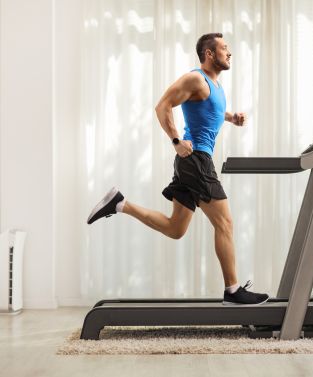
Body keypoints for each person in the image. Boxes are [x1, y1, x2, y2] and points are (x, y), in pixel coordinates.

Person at [87, 33, 269, 305]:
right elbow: (162, 106)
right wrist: (175, 141)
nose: (229, 53)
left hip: (192, 162)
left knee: (175, 229)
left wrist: (232, 118)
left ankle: (120, 204)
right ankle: (233, 291)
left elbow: (213, 111)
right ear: (209, 54)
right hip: (196, 160)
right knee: (225, 223)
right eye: (224, 48)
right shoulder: (196, 78)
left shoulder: (215, 86)